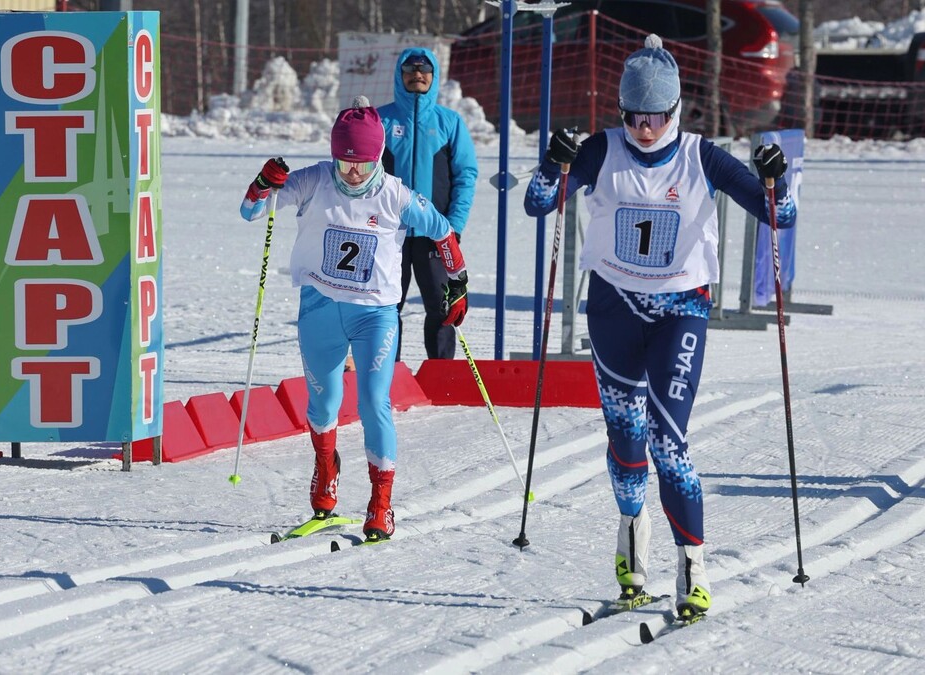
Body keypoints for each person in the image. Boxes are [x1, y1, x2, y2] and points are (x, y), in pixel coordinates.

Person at [522, 35, 797, 622]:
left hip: (681, 309)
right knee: (626, 441)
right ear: (621, 112)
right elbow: (538, 203)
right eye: (633, 116)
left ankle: (692, 565)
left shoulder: (704, 156)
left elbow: (782, 215)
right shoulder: (602, 150)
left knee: (669, 444)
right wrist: (554, 161)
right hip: (614, 306)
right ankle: (631, 532)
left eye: (657, 117)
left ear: (676, 112)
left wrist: (778, 178)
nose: (645, 129)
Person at [240, 97, 470, 542]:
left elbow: (442, 228)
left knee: (373, 404)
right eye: (344, 165)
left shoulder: (395, 194)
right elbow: (251, 212)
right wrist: (262, 184)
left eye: (362, 165)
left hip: (376, 316)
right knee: (323, 406)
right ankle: (326, 468)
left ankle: (380, 504)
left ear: (378, 156)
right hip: (320, 309)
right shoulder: (313, 181)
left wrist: (456, 281)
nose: (352, 175)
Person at [377, 48, 478, 361]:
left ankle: (441, 371)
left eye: (424, 71)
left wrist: (454, 226)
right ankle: (384, 371)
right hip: (387, 233)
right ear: (400, 75)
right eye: (409, 70)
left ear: (434, 77)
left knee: (442, 303)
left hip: (435, 234)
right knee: (385, 304)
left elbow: (466, 176)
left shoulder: (449, 122)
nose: (417, 76)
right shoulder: (380, 119)